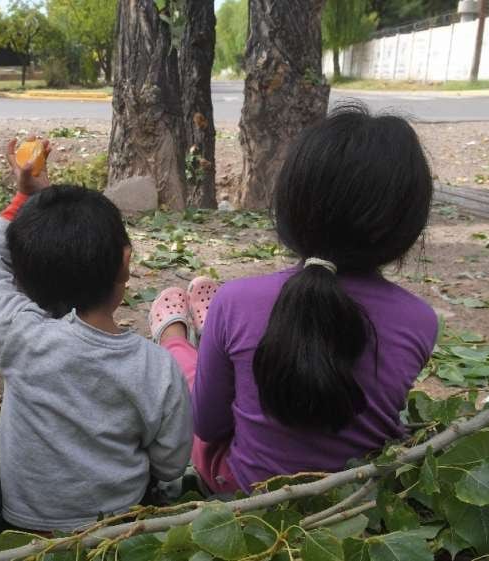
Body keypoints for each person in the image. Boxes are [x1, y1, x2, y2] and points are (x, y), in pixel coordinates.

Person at [150, 105, 438, 494]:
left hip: (243, 495)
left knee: (196, 377)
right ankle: (210, 337)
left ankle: (175, 340)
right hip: (354, 500)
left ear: (288, 207)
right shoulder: (420, 321)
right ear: (406, 226)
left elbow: (209, 425)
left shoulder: (237, 300)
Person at [0, 139, 192, 531]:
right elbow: (171, 463)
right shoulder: (156, 367)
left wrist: (21, 199)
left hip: (25, 526)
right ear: (125, 262)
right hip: (120, 523)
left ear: (22, 281)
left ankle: (8, 394)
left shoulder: (19, 335)